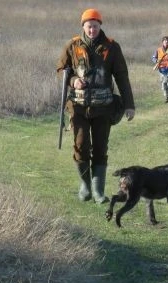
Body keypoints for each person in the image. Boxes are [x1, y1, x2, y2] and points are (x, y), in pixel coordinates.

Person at [56, 8, 135, 204]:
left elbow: (122, 77)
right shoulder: (72, 46)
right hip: (78, 107)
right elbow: (60, 70)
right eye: (89, 26)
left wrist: (129, 105)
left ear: (100, 26)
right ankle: (85, 186)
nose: (92, 30)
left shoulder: (112, 47)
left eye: (96, 26)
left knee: (100, 147)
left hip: (103, 107)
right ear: (83, 26)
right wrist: (73, 80)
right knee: (81, 145)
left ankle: (99, 191)